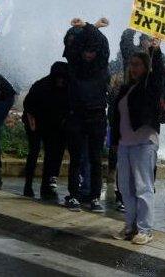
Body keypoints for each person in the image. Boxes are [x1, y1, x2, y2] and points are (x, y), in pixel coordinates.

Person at [110, 38, 165, 245]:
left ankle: (145, 229)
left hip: (144, 142)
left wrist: (155, 50)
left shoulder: (150, 86)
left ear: (146, 66)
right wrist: (114, 141)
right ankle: (130, 226)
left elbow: (158, 73)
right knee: (125, 187)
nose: (133, 69)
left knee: (143, 186)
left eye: (138, 65)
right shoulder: (126, 89)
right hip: (125, 144)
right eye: (131, 65)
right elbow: (116, 117)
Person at [62, 20, 110, 212]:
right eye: (86, 50)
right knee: (76, 158)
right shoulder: (75, 65)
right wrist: (91, 27)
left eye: (93, 50)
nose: (90, 54)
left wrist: (93, 28)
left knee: (96, 159)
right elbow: (74, 46)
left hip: (97, 116)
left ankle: (94, 197)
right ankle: (74, 195)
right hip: (78, 116)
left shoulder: (100, 65)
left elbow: (103, 45)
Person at [23, 62, 70, 199]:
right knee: (34, 151)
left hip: (52, 124)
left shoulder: (68, 88)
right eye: (58, 78)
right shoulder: (41, 86)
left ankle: (46, 187)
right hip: (35, 121)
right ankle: (28, 185)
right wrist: (32, 124)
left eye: (63, 78)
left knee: (51, 154)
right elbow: (28, 105)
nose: (61, 81)